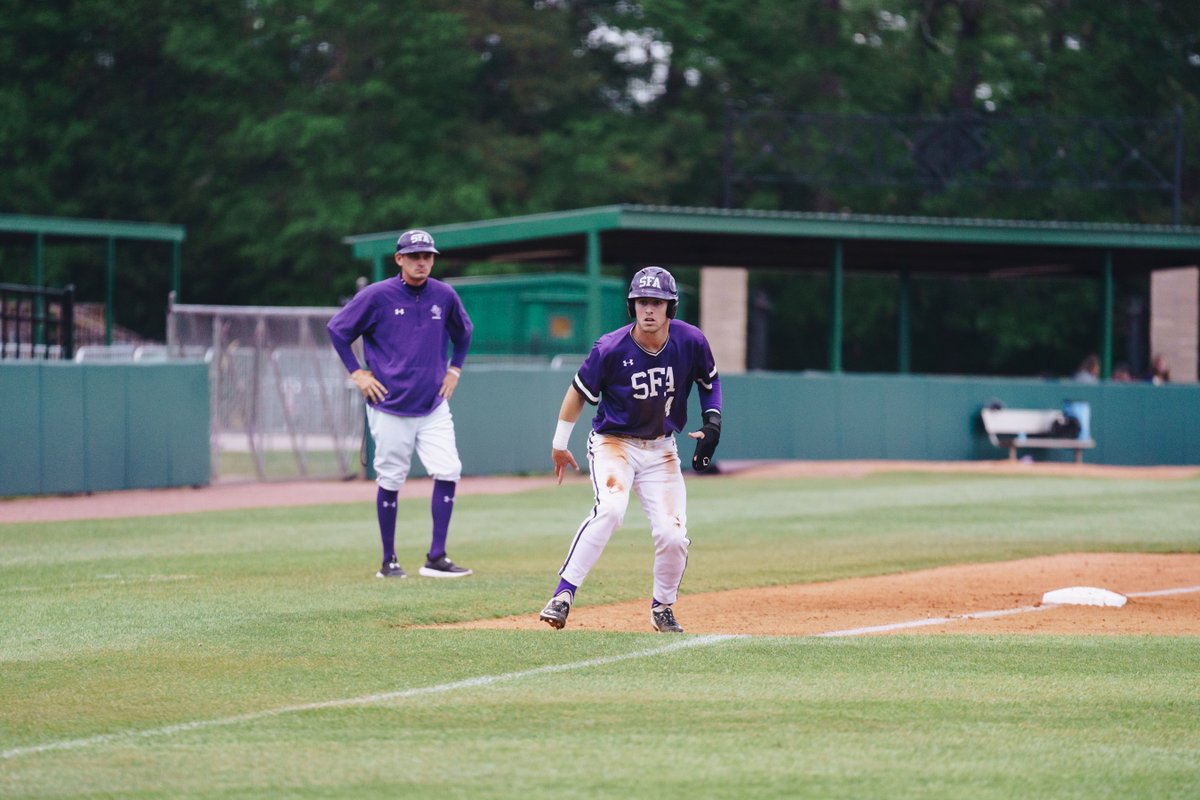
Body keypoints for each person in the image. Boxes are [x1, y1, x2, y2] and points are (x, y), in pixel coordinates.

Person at [538, 266, 723, 633]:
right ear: (632, 306)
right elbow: (578, 392)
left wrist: (712, 422)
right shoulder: (610, 348)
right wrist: (560, 443)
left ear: (671, 306)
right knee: (610, 510)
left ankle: (663, 607)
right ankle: (562, 595)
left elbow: (709, 381)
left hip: (661, 448)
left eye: (657, 302)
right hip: (614, 443)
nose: (648, 309)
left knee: (673, 535)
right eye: (641, 301)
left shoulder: (690, 341)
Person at [327, 229, 474, 579]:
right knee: (391, 478)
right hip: (389, 403)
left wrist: (455, 369)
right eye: (414, 256)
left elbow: (464, 333)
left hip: (434, 404)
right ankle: (388, 561)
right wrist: (357, 373)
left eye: (427, 256)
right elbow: (338, 330)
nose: (422, 262)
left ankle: (436, 557)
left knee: (449, 469)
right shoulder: (377, 295)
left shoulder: (444, 295)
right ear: (400, 259)